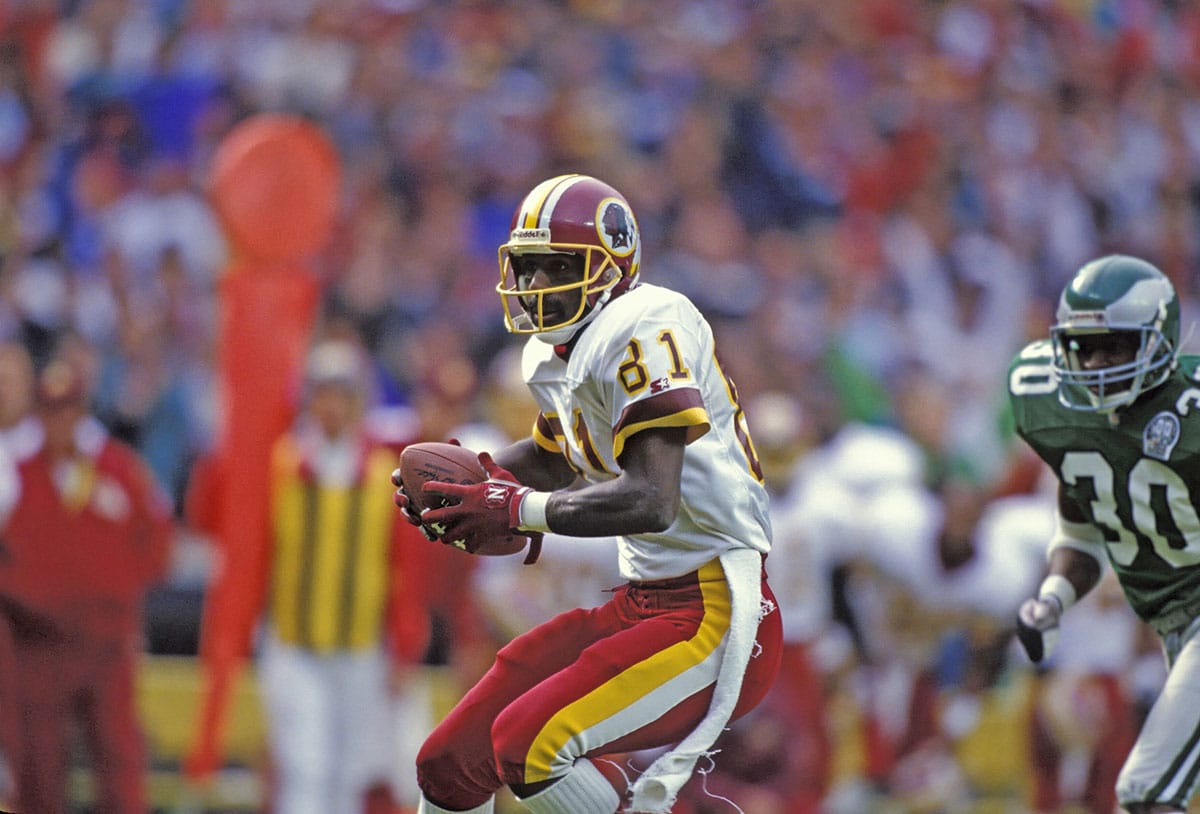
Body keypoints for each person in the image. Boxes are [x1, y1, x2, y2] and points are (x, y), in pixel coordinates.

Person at [393, 174, 783, 814]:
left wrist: (514, 508)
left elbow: (652, 498)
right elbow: (553, 458)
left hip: (718, 613)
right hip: (644, 605)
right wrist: (467, 485)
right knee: (449, 763)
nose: (538, 285)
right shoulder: (560, 353)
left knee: (530, 747)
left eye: (557, 267)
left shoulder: (645, 326)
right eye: (530, 267)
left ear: (613, 265)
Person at [1009, 254, 1200, 814]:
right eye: (1083, 347)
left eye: (1114, 346)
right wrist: (1053, 597)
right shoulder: (1056, 410)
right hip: (1176, 627)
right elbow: (1084, 531)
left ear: (1159, 340)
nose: (1094, 364)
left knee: (1146, 790)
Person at [256, 336, 429, 814]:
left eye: (341, 395)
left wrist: (404, 641)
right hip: (296, 641)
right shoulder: (283, 462)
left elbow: (402, 567)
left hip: (359, 645)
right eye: (322, 394)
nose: (331, 407)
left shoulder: (382, 473)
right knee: (304, 765)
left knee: (355, 771)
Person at [0, 353, 173, 813]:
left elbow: (157, 539)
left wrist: (119, 595)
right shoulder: (14, 472)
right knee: (37, 768)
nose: (61, 421)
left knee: (119, 764)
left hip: (106, 643)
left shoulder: (117, 471)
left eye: (69, 410)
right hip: (38, 645)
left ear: (82, 414)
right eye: (51, 411)